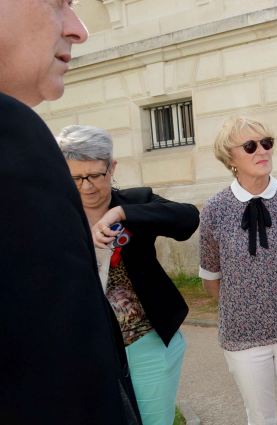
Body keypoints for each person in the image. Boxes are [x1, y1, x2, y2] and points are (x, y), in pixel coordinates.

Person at [0, 1, 141, 423]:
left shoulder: (132, 201)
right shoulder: (14, 135)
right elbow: (64, 382)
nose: (79, 30)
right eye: (58, 2)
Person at [57, 125, 199, 425]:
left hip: (145, 344)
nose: (87, 187)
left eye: (96, 175)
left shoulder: (135, 202)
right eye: (76, 177)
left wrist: (120, 213)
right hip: (85, 350)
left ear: (112, 167)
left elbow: (188, 219)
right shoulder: (57, 217)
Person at [199, 117, 277, 425]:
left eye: (267, 143)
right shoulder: (215, 208)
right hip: (243, 333)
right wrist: (243, 303)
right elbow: (211, 277)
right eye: (250, 146)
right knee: (260, 418)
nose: (261, 151)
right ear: (230, 158)